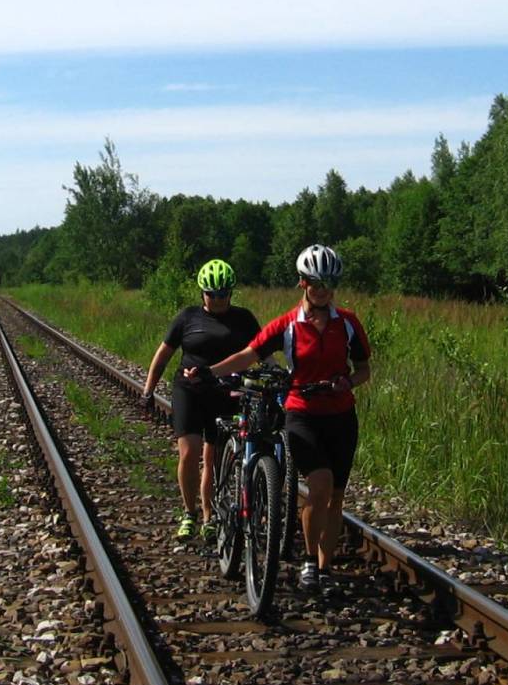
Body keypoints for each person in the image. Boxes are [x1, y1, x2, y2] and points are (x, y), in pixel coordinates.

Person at [188, 244, 371, 593]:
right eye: (316, 283)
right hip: (302, 413)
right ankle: (308, 562)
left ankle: (325, 568)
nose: (323, 290)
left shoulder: (347, 323)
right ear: (303, 283)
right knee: (319, 485)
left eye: (330, 283)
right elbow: (249, 354)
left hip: (341, 415)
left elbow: (364, 369)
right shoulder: (288, 325)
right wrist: (209, 372)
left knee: (336, 495)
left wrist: (349, 381)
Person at [141, 259, 261, 542]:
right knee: (189, 453)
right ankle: (189, 512)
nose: (217, 300)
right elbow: (163, 356)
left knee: (214, 459)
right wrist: (148, 391)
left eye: (223, 294)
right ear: (202, 293)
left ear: (231, 293)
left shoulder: (244, 319)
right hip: (190, 392)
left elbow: (262, 351)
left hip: (226, 393)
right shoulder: (187, 317)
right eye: (211, 294)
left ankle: (209, 516)